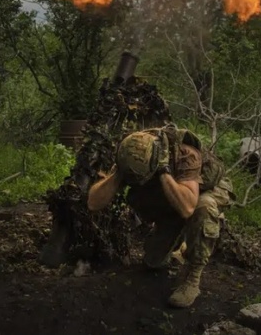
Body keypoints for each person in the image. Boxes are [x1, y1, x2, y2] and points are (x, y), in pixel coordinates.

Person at [87, 125, 234, 308]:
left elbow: (188, 206)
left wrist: (163, 171)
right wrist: (118, 174)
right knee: (153, 262)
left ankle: (193, 275)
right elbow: (93, 203)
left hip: (206, 189)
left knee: (202, 207)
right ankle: (176, 235)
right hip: (177, 192)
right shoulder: (131, 152)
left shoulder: (186, 154)